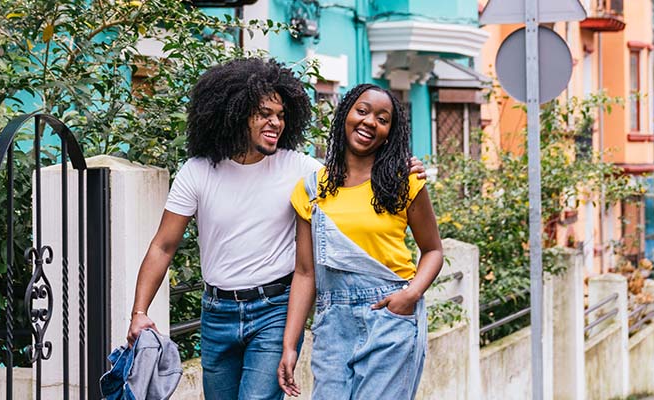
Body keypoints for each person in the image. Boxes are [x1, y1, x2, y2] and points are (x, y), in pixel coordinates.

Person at [125, 58, 425, 400]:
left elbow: (355, 175)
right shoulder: (197, 172)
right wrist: (139, 312)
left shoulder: (302, 170)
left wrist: (401, 164)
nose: (276, 123)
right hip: (216, 313)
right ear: (236, 112)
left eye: (281, 115)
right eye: (265, 114)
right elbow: (163, 247)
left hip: (274, 309)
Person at [277, 83, 443, 400]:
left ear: (389, 132)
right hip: (332, 327)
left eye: (383, 119)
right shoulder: (311, 190)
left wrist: (410, 295)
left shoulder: (404, 181)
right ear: (345, 115)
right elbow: (304, 273)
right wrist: (290, 344)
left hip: (390, 319)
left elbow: (433, 250)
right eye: (363, 111)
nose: (370, 122)